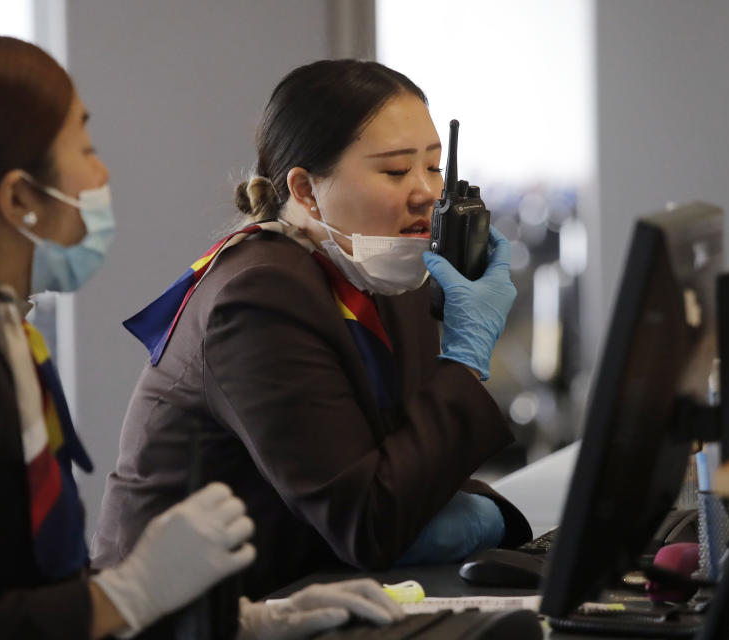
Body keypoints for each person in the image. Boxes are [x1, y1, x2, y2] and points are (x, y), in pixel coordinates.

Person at [0, 37, 403, 640]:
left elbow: (18, 585)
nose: (102, 172)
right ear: (19, 198)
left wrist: (231, 621)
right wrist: (129, 594)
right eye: (85, 149)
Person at [93, 59, 533, 598]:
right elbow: (371, 522)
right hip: (180, 611)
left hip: (303, 579)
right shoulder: (257, 297)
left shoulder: (386, 270)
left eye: (434, 167)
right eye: (396, 171)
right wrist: (464, 360)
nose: (426, 193)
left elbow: (410, 471)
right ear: (304, 190)